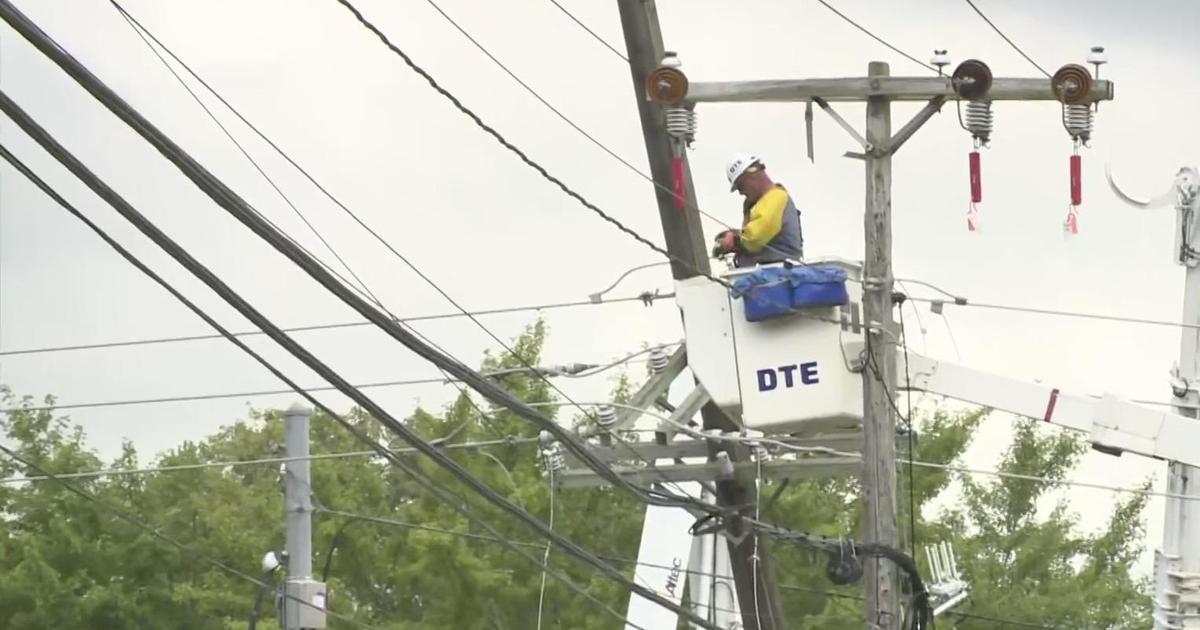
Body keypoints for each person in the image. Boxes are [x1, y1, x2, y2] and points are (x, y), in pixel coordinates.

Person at [711, 154, 804, 268]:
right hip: (766, 275)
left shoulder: (776, 197)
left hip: (778, 276)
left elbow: (754, 238)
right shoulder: (762, 202)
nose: (741, 192)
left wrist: (733, 241)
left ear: (751, 176)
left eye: (740, 186)